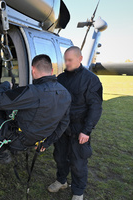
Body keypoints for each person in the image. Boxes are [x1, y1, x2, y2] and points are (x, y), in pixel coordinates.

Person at [0, 54, 71, 164]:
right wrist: (47, 143)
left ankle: (2, 153)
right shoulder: (65, 93)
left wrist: (6, 84)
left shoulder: (33, 91)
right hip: (37, 141)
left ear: (33, 69)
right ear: (52, 71)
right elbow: (64, 123)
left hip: (19, 140)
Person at [48, 46, 103, 200]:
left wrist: (87, 130)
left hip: (80, 128)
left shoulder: (91, 80)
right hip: (62, 127)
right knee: (60, 156)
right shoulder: (61, 78)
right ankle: (61, 180)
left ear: (80, 58)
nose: (67, 63)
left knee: (78, 162)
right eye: (65, 60)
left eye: (70, 60)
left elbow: (95, 107)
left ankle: (78, 192)